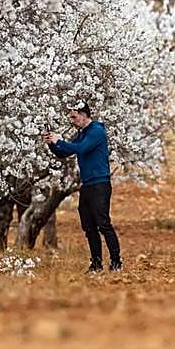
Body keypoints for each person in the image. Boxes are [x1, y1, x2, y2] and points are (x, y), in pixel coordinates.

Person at [43, 102, 122, 273]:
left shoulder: (96, 131)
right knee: (89, 227)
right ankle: (96, 265)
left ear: (84, 114)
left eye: (74, 116)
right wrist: (52, 144)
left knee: (103, 224)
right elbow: (64, 153)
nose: (71, 121)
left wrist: (60, 140)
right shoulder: (83, 133)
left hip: (100, 184)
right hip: (87, 185)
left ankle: (116, 263)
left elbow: (80, 149)